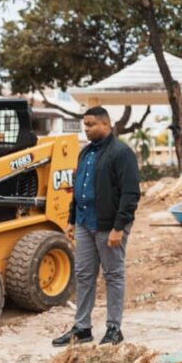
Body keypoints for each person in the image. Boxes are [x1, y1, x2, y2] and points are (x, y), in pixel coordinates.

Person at [53, 107, 141, 347]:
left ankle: (114, 328)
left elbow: (131, 193)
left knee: (113, 275)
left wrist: (119, 227)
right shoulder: (85, 154)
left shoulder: (121, 153)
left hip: (108, 225)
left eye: (91, 125)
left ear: (106, 124)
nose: (87, 129)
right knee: (83, 275)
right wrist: (71, 219)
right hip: (84, 222)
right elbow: (78, 189)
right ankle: (82, 328)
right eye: (85, 125)